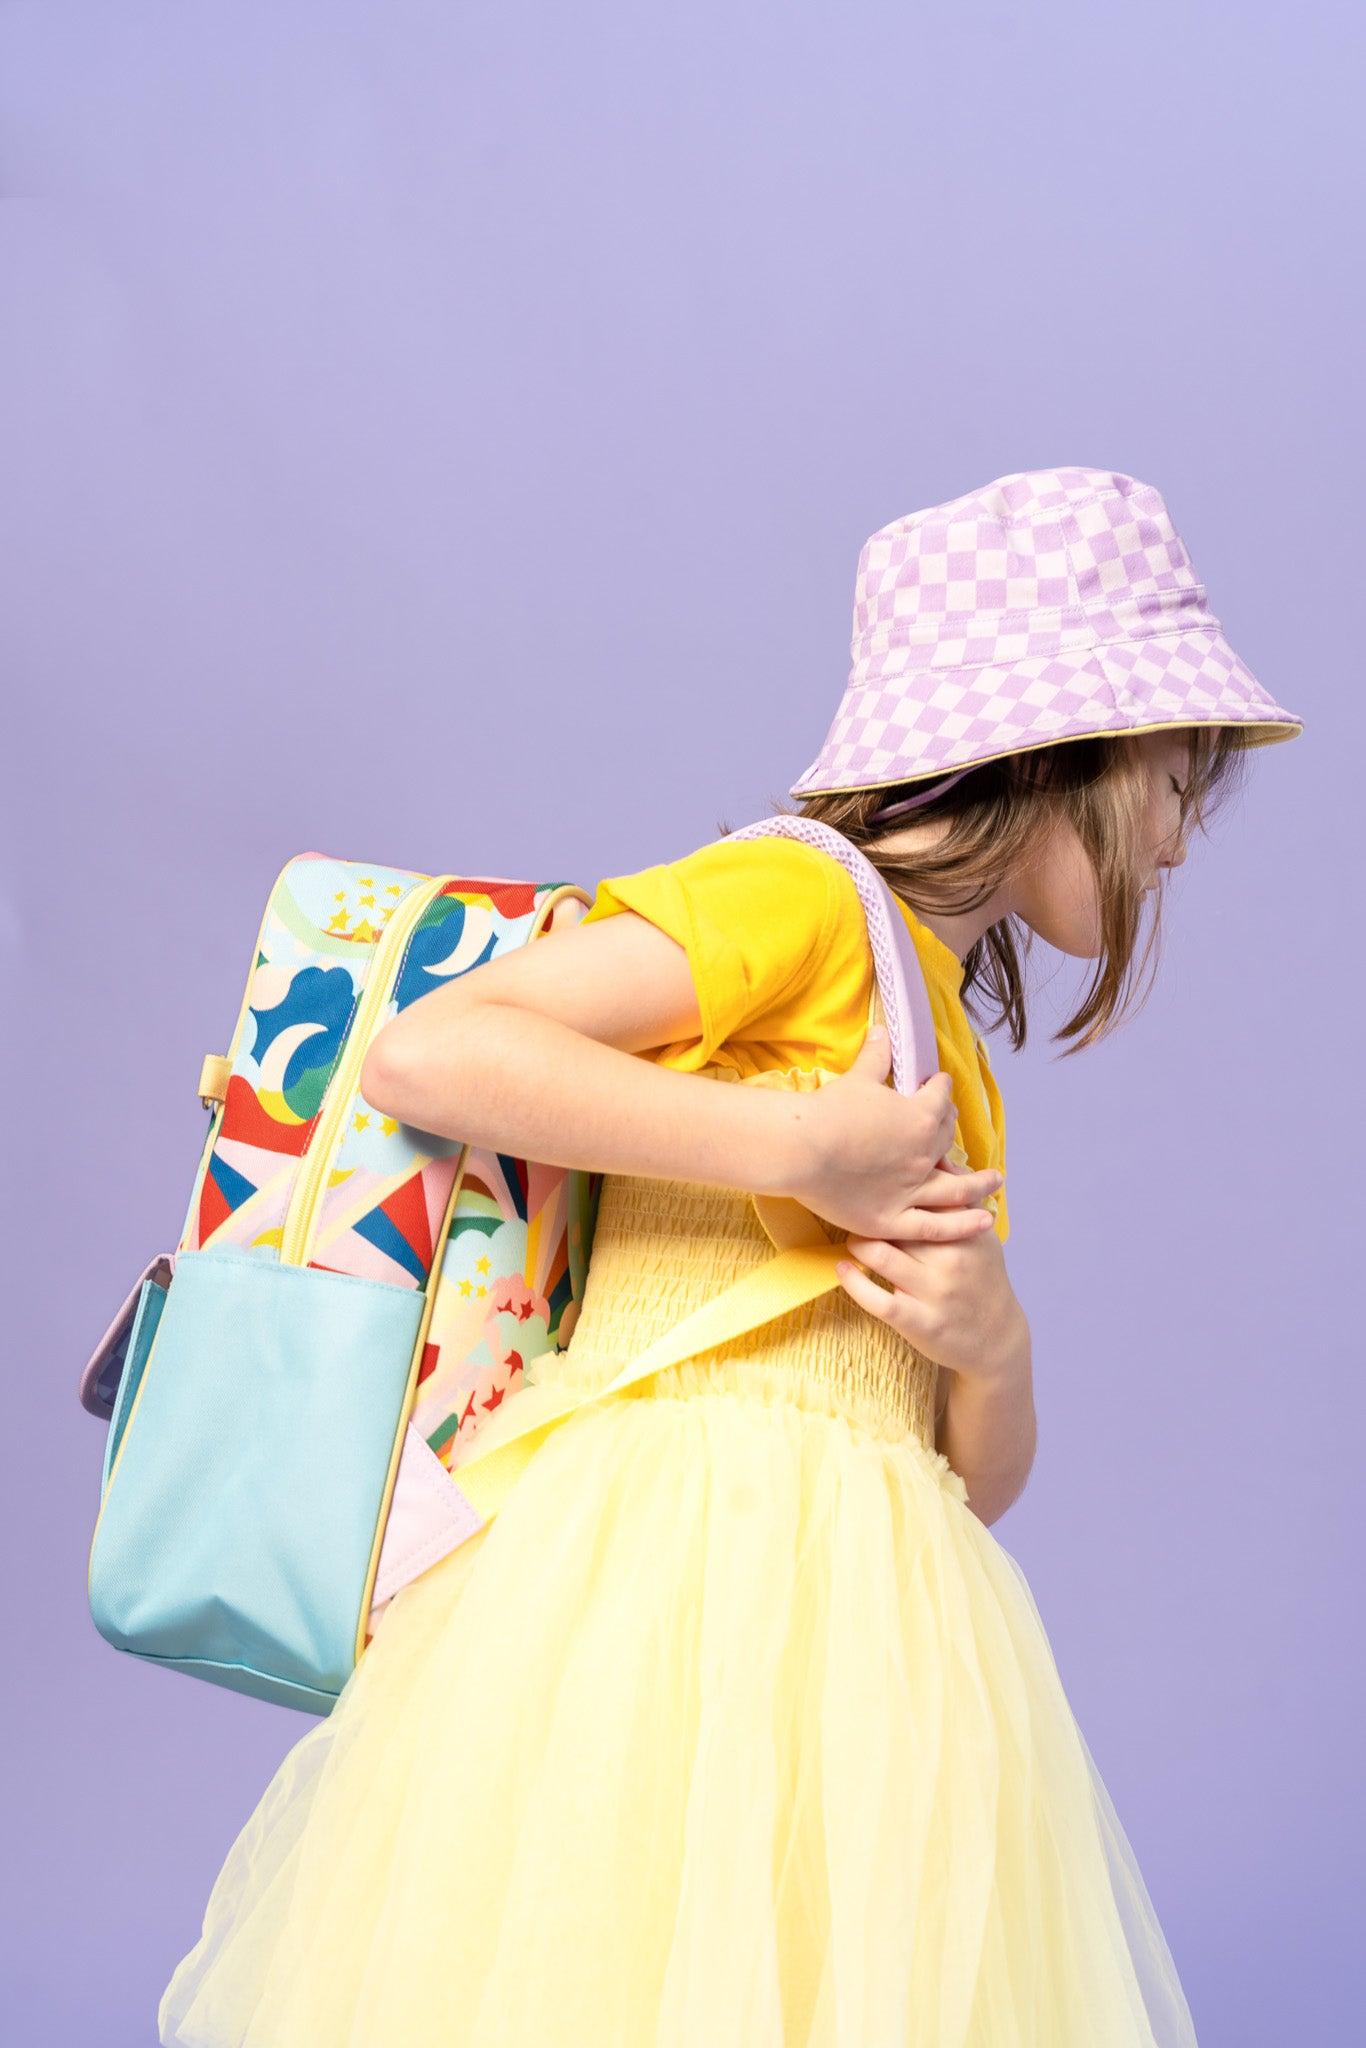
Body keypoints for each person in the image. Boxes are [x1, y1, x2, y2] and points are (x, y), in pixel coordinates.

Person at [158, 468, 1300, 2046]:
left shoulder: (940, 1046)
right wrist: (795, 1152)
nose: (1177, 844)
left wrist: (994, 1349)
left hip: (872, 1641)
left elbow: (970, 1474)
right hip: (666, 1580)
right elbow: (434, 1053)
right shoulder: (801, 900)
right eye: (1177, 785)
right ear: (1060, 759)